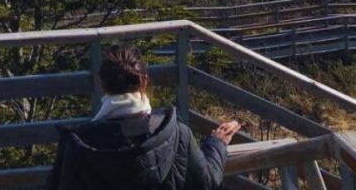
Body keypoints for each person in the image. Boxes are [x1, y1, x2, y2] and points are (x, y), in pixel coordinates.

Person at [46, 44, 241, 190]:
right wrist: (216, 143)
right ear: (144, 82)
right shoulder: (177, 134)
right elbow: (207, 182)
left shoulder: (78, 145)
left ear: (102, 85)